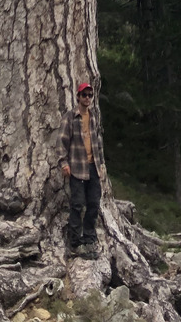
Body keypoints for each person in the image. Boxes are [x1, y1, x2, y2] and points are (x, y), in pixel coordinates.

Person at [59, 81, 104, 257]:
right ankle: (75, 242)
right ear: (78, 97)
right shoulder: (70, 117)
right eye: (84, 95)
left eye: (89, 95)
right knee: (77, 205)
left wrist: (101, 165)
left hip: (93, 167)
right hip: (77, 167)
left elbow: (98, 142)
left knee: (94, 203)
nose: (87, 98)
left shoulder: (93, 117)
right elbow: (62, 142)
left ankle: (90, 238)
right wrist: (64, 163)